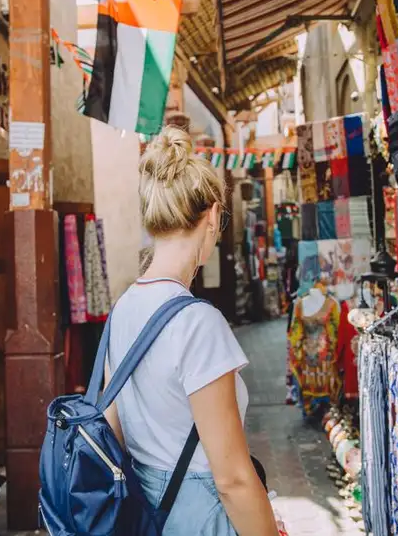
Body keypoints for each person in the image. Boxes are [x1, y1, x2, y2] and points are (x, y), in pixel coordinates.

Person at [103, 126, 278, 536]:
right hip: (198, 519)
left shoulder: (124, 308)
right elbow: (233, 479)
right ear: (214, 215)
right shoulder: (198, 324)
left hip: (146, 513)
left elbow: (113, 429)